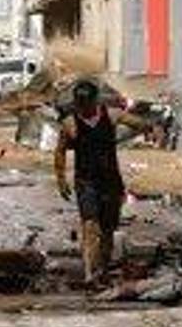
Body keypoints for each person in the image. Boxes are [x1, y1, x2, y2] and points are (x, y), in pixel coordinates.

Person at [54, 79, 149, 284]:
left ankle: (103, 269)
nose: (84, 107)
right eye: (80, 103)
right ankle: (89, 273)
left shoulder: (111, 115)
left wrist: (147, 128)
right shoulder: (70, 124)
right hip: (85, 181)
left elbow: (139, 123)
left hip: (111, 181)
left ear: (95, 100)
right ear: (76, 103)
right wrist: (61, 179)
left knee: (107, 229)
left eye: (87, 102)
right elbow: (60, 151)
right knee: (90, 225)